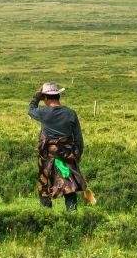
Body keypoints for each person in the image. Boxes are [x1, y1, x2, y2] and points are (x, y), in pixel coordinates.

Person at [28, 82, 92, 211]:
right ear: (58, 96)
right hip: (68, 154)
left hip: (47, 156)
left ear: (45, 98)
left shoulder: (43, 112)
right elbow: (78, 137)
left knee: (45, 185)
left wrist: (36, 97)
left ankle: (45, 216)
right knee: (70, 186)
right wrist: (78, 154)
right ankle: (72, 216)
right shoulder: (71, 113)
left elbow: (31, 110)